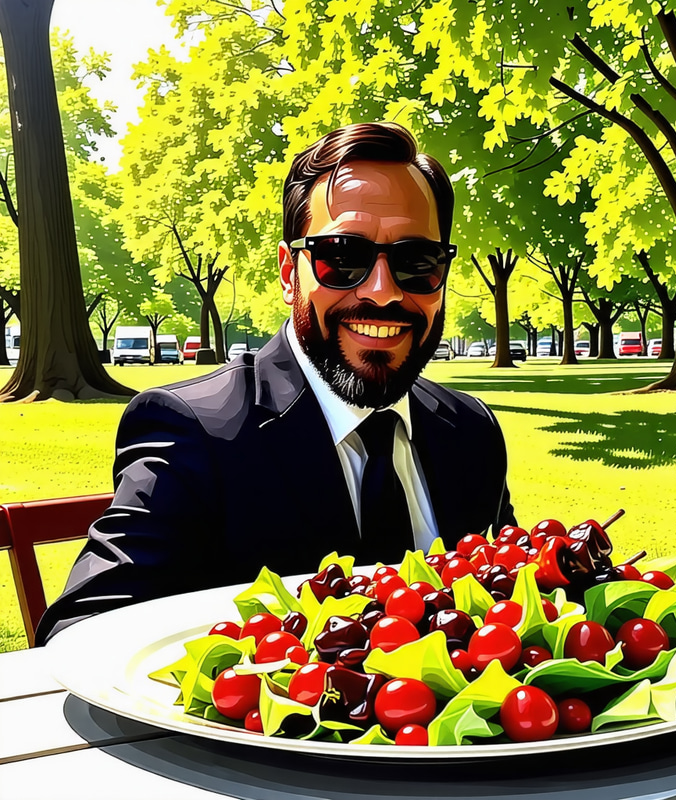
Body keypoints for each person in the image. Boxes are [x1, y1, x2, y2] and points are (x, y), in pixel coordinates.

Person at [36, 122, 515, 644]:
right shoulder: (194, 431)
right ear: (290, 272)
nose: (382, 292)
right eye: (343, 256)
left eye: (416, 261)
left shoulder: (471, 431)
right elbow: (83, 632)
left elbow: (507, 605)